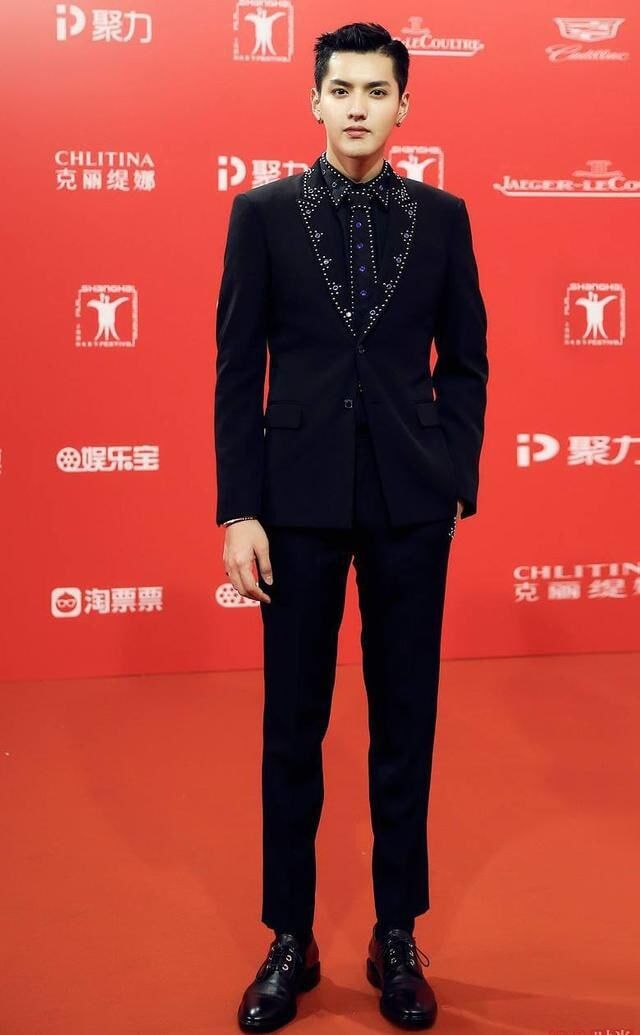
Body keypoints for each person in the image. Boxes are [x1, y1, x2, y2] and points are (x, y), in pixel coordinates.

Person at [214, 21, 488, 1032]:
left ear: (404, 106)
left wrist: (452, 475)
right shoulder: (262, 215)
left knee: (403, 726)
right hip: (295, 506)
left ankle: (396, 933)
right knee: (293, 727)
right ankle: (289, 936)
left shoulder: (445, 219)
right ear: (315, 101)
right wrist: (239, 507)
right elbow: (237, 369)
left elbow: (467, 360)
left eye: (378, 90)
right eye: (343, 89)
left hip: (410, 507)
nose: (359, 106)